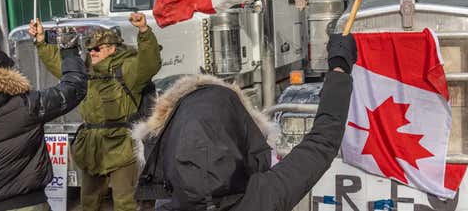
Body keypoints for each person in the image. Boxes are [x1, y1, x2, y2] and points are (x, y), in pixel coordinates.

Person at [133, 34, 357, 211]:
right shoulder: (265, 195)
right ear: (241, 135)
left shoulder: (165, 202)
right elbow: (322, 142)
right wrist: (339, 67)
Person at [31, 13, 162, 211]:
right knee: (89, 202)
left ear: (112, 49)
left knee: (125, 202)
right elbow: (59, 64)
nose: (92, 52)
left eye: (97, 48)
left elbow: (150, 62)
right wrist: (41, 41)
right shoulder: (84, 72)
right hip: (93, 147)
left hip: (122, 146)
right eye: (90, 49)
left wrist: (144, 31)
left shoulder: (127, 69)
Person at [0, 34, 87, 211]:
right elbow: (73, 89)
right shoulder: (27, 105)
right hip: (27, 202)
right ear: (9, 72)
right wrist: (69, 53)